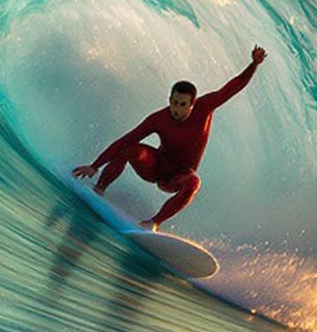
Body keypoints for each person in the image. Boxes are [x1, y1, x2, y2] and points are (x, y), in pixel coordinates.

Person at [72, 47, 266, 229]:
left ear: (192, 104)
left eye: (182, 104)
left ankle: (153, 223)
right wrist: (95, 165)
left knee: (194, 183)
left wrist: (253, 65)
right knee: (130, 149)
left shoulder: (205, 108)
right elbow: (126, 140)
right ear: (169, 100)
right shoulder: (159, 119)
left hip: (178, 176)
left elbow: (233, 87)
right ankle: (99, 189)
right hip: (156, 167)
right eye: (174, 103)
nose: (177, 109)